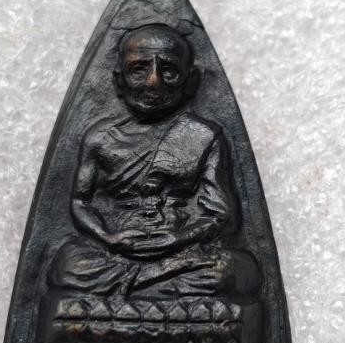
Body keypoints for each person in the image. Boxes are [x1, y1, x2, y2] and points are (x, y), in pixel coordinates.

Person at [48, 24, 260, 299]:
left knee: (232, 270)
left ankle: (131, 291)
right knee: (67, 265)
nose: (153, 82)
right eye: (139, 69)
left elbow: (222, 217)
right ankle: (157, 291)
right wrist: (108, 237)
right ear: (118, 80)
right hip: (117, 248)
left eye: (169, 70)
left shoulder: (203, 135)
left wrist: (177, 239)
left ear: (191, 81)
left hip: (180, 248)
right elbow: (80, 202)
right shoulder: (100, 137)